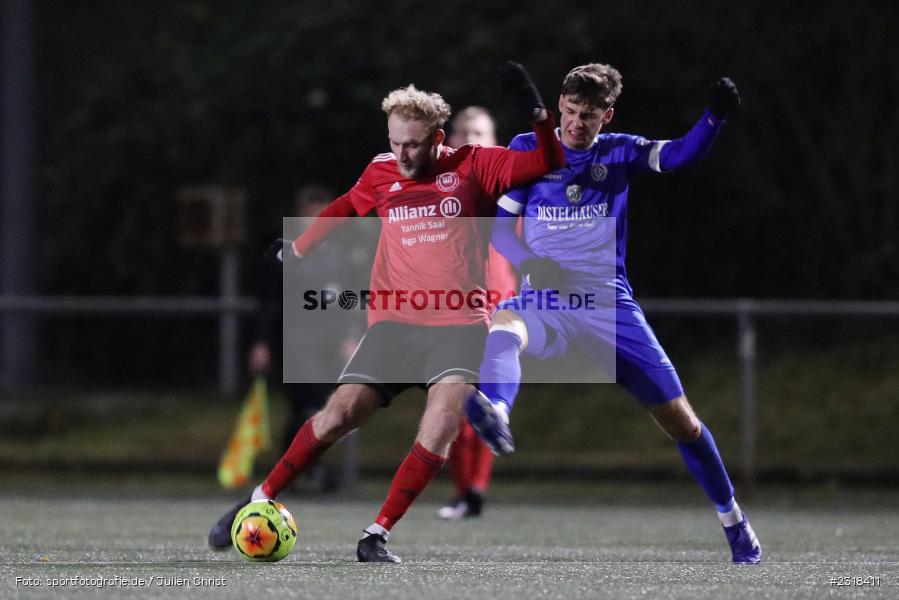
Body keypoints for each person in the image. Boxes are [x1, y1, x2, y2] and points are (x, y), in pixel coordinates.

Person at [208, 62, 566, 562]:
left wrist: (536, 111)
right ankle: (259, 499)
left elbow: (548, 160)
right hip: (395, 326)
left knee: (440, 425)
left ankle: (377, 534)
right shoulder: (381, 169)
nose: (401, 154)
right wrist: (300, 247)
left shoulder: (476, 164)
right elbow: (345, 208)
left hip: (460, 326)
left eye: (413, 144)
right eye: (394, 142)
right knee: (336, 417)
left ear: (438, 137)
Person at [464, 63, 762, 564]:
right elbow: (499, 234)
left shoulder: (619, 150)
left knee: (682, 423)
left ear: (608, 116)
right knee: (505, 323)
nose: (578, 124)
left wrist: (712, 118)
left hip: (607, 305)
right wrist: (532, 262)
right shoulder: (527, 150)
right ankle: (496, 409)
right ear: (559, 106)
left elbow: (682, 154)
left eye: (590, 115)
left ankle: (734, 521)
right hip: (548, 299)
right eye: (572, 112)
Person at [248, 184, 362, 491]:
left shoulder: (341, 257)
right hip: (295, 342)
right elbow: (268, 301)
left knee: (308, 411)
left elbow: (351, 300)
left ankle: (299, 469)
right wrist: (261, 342)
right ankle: (305, 470)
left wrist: (351, 336)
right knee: (312, 405)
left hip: (329, 343)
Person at [437, 107, 512, 520]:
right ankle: (466, 491)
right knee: (452, 405)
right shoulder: (439, 188)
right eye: (464, 132)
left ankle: (474, 491)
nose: (471, 139)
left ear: (495, 141)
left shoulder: (509, 183)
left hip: (498, 306)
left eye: (480, 132)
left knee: (478, 403)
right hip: (449, 306)